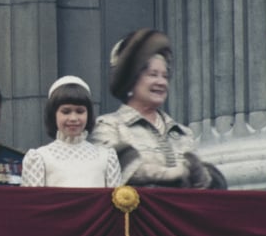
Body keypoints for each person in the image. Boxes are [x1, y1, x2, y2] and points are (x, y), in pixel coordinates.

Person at [91, 29, 227, 188]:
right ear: (131, 81)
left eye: (165, 76)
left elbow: (202, 187)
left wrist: (201, 176)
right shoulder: (108, 125)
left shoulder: (183, 133)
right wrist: (171, 174)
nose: (161, 82)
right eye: (153, 74)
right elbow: (114, 170)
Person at [22, 76, 121, 187]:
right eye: (66, 112)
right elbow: (33, 202)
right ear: (53, 114)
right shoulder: (40, 158)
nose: (73, 118)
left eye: (80, 111)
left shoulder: (106, 157)